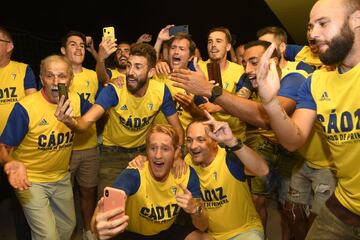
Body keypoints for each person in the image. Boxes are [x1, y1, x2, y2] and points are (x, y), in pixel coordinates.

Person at [170, 40, 307, 239]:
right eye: (244, 63)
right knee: (264, 201)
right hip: (266, 142)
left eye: (254, 62)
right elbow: (240, 104)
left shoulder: (294, 77)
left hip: (299, 153)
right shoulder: (249, 81)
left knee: (292, 210)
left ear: (274, 61)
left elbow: (268, 118)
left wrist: (211, 91)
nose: (248, 69)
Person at [254, 0, 360, 239]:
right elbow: (293, 140)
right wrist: (270, 103)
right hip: (345, 207)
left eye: (323, 23)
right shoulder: (315, 82)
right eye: (311, 26)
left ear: (356, 20)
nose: (313, 34)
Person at [56, 42, 184, 199]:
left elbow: (177, 128)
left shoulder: (160, 91)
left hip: (143, 152)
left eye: (138, 67)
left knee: (147, 199)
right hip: (112, 155)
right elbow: (84, 123)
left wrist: (178, 155)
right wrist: (68, 120)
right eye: (129, 65)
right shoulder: (114, 89)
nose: (130, 72)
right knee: (109, 203)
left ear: (151, 72)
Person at [0, 55, 93, 239]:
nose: (56, 82)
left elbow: (99, 112)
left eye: (61, 76)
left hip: (61, 178)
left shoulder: (76, 100)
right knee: (48, 236)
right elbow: (3, 145)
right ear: (41, 78)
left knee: (68, 228)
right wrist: (9, 161)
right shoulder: (25, 108)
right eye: (49, 76)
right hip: (31, 181)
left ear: (71, 79)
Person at [91, 124, 211, 240]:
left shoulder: (186, 175)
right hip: (133, 235)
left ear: (176, 152)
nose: (158, 155)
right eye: (153, 148)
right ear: (147, 151)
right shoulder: (134, 174)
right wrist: (97, 226)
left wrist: (195, 209)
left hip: (166, 232)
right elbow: (104, 209)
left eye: (165, 149)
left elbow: (203, 225)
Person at [185, 113, 268, 240]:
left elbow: (263, 170)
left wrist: (231, 141)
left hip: (244, 232)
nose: (193, 146)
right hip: (212, 236)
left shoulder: (229, 158)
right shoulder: (187, 163)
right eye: (189, 140)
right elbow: (201, 226)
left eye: (201, 140)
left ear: (215, 141)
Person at [60, 30, 101, 240]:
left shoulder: (93, 75)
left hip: (90, 144)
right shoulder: (57, 75)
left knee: (88, 193)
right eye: (73, 44)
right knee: (63, 196)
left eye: (81, 45)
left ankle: (88, 231)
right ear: (63, 50)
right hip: (63, 148)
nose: (78, 49)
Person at [0, 25, 37, 240]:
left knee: (20, 202)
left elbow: (33, 105)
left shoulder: (23, 70)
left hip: (16, 147)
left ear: (10, 47)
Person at [153, 32, 206, 131]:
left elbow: (206, 117)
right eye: (173, 48)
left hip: (184, 143)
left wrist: (192, 108)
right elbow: (148, 62)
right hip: (158, 141)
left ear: (190, 57)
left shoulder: (194, 81)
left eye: (181, 49)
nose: (176, 52)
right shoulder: (159, 73)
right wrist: (156, 62)